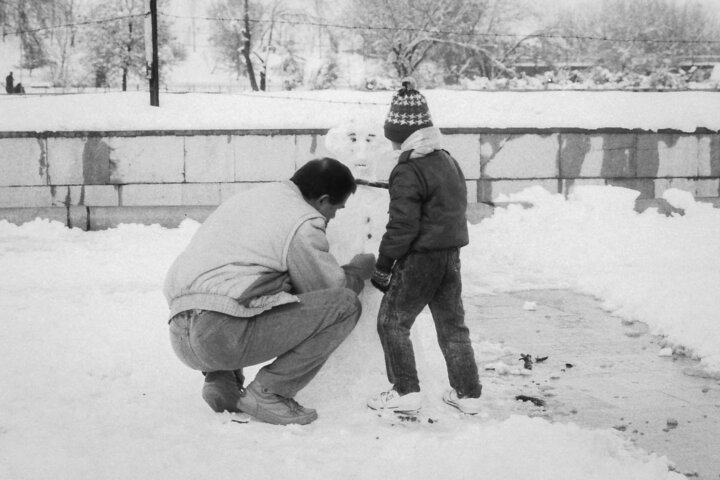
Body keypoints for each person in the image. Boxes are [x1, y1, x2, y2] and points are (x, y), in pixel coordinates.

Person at [164, 158, 376, 425]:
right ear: (322, 200)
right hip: (221, 336)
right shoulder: (303, 219)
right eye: (336, 208)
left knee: (254, 285)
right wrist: (357, 270)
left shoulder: (250, 199)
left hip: (181, 335)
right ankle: (269, 392)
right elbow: (326, 288)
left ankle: (221, 381)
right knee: (343, 305)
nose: (333, 216)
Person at [366, 78, 483, 415]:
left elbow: (402, 225)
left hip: (419, 260)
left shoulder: (408, 169)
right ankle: (468, 394)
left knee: (392, 322)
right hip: (450, 257)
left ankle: (405, 391)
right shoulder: (447, 160)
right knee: (452, 327)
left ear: (400, 135)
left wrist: (384, 265)